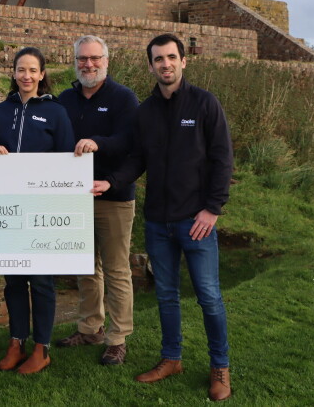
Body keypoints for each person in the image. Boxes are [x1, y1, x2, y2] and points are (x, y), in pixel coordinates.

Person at [99, 33, 233, 401]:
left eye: (171, 57)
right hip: (158, 222)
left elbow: (223, 159)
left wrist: (212, 209)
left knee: (208, 297)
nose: (166, 64)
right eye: (158, 59)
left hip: (197, 221)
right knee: (167, 296)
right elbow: (137, 161)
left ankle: (219, 367)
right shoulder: (145, 111)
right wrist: (109, 182)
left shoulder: (205, 104)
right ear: (151, 65)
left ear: (183, 61)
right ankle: (171, 358)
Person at [0, 47, 74, 375]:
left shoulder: (55, 112)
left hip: (41, 209)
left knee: (41, 281)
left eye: (32, 70)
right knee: (14, 281)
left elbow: (67, 161)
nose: (26, 76)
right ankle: (16, 342)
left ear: (41, 74)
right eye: (20, 70)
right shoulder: (1, 111)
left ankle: (42, 348)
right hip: (8, 208)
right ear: (13, 73)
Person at [55, 35, 140, 366]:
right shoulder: (65, 99)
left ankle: (117, 338)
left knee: (117, 269)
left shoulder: (123, 98)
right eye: (82, 59)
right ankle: (90, 327)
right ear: (74, 61)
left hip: (114, 196)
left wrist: (97, 143)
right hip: (75, 198)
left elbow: (129, 142)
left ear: (107, 60)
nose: (88, 65)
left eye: (94, 58)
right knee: (85, 266)